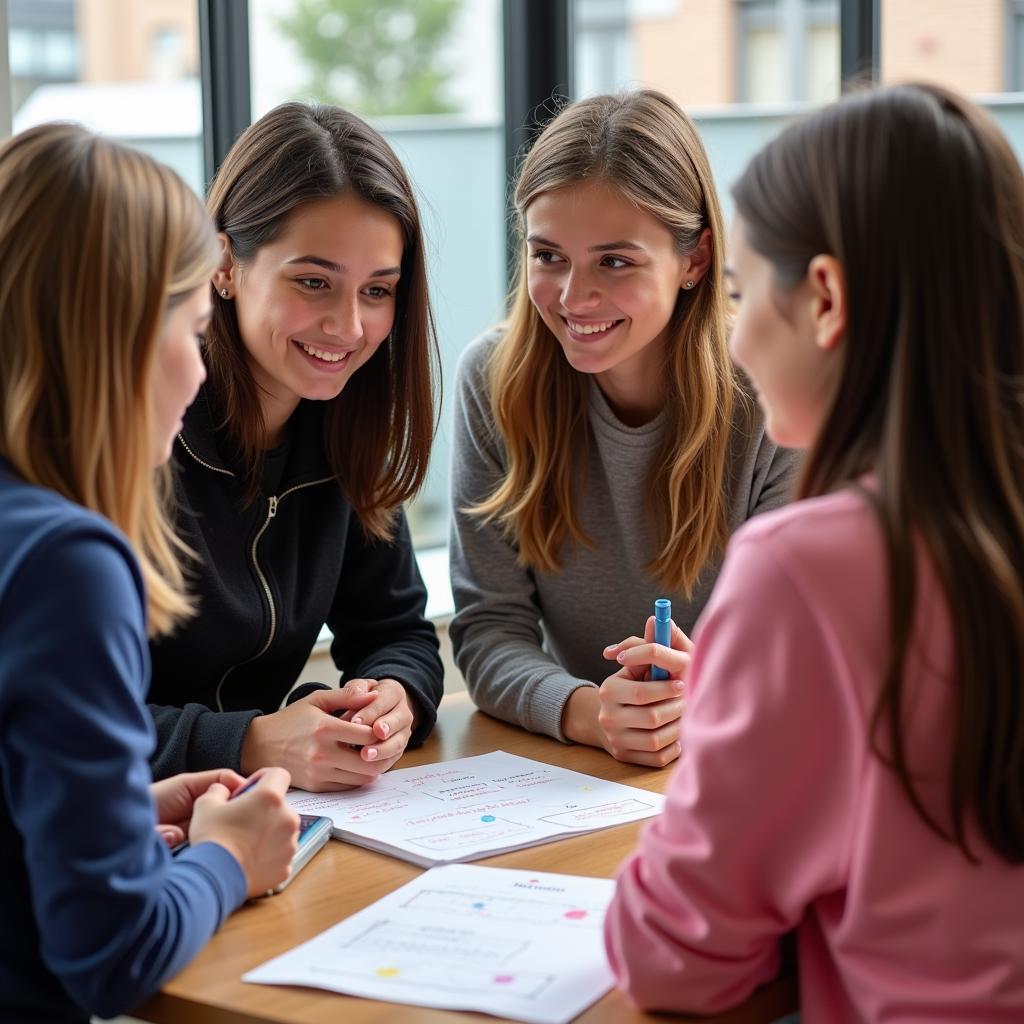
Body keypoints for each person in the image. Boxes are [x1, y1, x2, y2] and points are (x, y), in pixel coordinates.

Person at [604, 83, 1024, 1020]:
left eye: (746, 292)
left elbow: (675, 957)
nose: (738, 337)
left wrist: (723, 726)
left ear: (826, 298)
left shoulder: (807, 567)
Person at [0, 123, 299, 1024]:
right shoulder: (69, 564)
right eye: (196, 328)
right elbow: (114, 955)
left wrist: (121, 804)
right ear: (126, 333)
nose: (203, 372)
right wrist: (229, 861)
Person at [449, 90, 799, 766]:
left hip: (750, 756)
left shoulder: (774, 390)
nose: (573, 298)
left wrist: (713, 691)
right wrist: (587, 712)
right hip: (587, 770)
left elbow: (810, 645)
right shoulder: (492, 381)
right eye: (547, 256)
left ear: (695, 261)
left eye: (614, 261)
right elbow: (491, 629)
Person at [147, 103, 445, 791]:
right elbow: (51, 719)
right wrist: (246, 741)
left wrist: (393, 699)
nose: (349, 325)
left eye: (378, 290)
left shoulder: (344, 425)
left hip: (247, 826)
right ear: (225, 263)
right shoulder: (140, 429)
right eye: (313, 281)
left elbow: (396, 630)